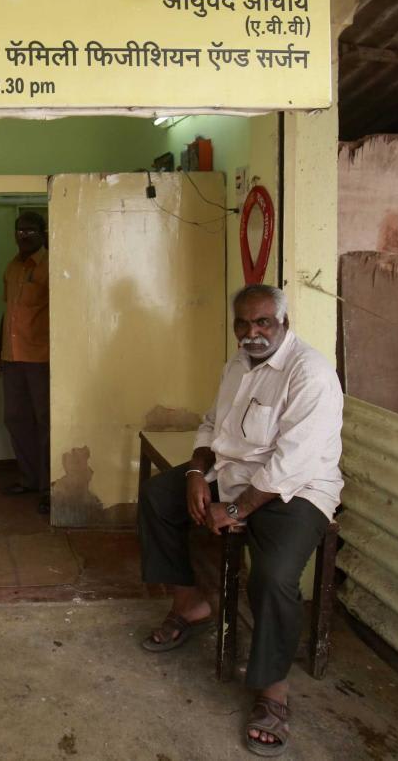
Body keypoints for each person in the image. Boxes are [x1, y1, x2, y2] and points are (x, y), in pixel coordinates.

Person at [137, 283, 343, 757]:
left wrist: (235, 508)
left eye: (263, 323)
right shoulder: (237, 363)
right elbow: (212, 424)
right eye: (243, 324)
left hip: (296, 489)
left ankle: (273, 691)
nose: (252, 333)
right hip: (230, 473)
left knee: (273, 576)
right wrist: (194, 472)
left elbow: (293, 461)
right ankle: (191, 605)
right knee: (157, 497)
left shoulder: (309, 373)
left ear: (283, 323)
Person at [0, 211, 51, 515]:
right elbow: (9, 312)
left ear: (43, 233)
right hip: (12, 356)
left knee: (46, 423)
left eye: (30, 231)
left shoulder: (49, 266)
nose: (23, 235)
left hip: (41, 357)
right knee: (15, 418)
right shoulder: (12, 268)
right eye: (19, 230)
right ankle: (30, 479)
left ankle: (51, 487)